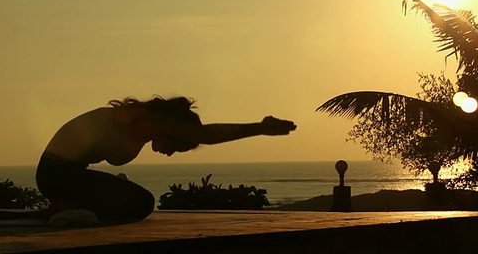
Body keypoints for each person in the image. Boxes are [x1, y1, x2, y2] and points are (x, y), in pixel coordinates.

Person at [35, 96, 297, 224]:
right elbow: (205, 133)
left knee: (137, 201)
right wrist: (258, 128)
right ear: (173, 129)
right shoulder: (140, 120)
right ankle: (70, 212)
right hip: (58, 174)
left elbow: (199, 134)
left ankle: (69, 206)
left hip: (64, 176)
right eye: (177, 145)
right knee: (142, 201)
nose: (171, 152)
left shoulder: (143, 127)